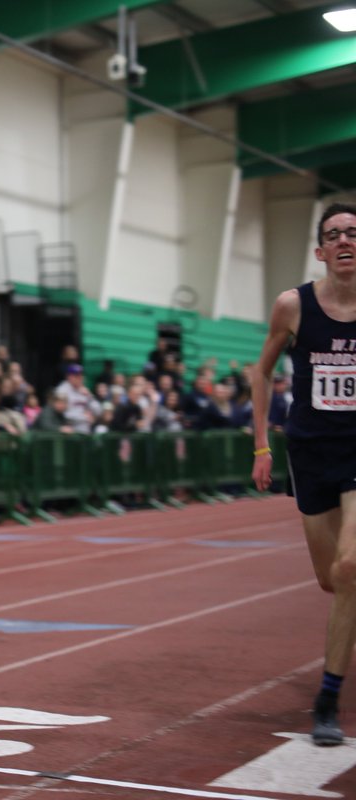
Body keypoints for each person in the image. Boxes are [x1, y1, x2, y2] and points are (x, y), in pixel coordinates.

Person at [252, 202, 356, 748]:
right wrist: (261, 444)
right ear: (321, 251)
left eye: (353, 233)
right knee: (330, 579)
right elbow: (262, 372)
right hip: (311, 451)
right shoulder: (293, 305)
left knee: (351, 566)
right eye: (334, 234)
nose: (345, 241)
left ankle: (327, 698)